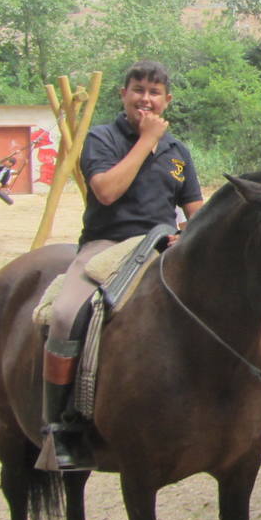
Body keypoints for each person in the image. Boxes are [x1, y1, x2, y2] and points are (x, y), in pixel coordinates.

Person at [40, 59, 204, 470]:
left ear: (167, 100)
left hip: (162, 246)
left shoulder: (178, 153)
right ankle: (61, 426)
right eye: (138, 90)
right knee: (64, 314)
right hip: (105, 245)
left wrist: (192, 233)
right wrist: (146, 141)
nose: (145, 99)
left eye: (154, 92)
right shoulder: (101, 138)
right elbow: (107, 191)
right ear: (123, 95)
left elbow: (195, 209)